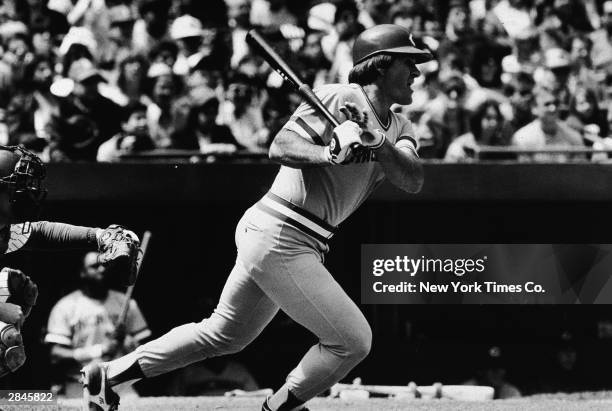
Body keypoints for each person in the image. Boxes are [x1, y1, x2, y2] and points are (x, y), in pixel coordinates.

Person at [81, 24, 430, 411]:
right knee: (352, 340)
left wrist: (376, 142)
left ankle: (108, 375)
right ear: (380, 66)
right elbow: (280, 145)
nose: (416, 73)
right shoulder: (338, 96)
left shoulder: (401, 127)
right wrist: (328, 151)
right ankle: (279, 407)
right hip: (281, 230)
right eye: (408, 63)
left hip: (295, 238)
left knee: (223, 335)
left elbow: (411, 178)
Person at [0, 145, 140, 378]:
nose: (29, 192)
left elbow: (41, 232)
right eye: (19, 186)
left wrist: (100, 237)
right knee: (5, 333)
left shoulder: (4, 228)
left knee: (19, 293)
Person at [45, 251, 150, 397]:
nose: (101, 269)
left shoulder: (126, 303)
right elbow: (56, 355)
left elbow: (146, 349)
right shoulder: (66, 306)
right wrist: (99, 350)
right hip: (80, 384)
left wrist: (129, 344)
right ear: (82, 272)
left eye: (105, 265)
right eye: (95, 266)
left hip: (120, 383)